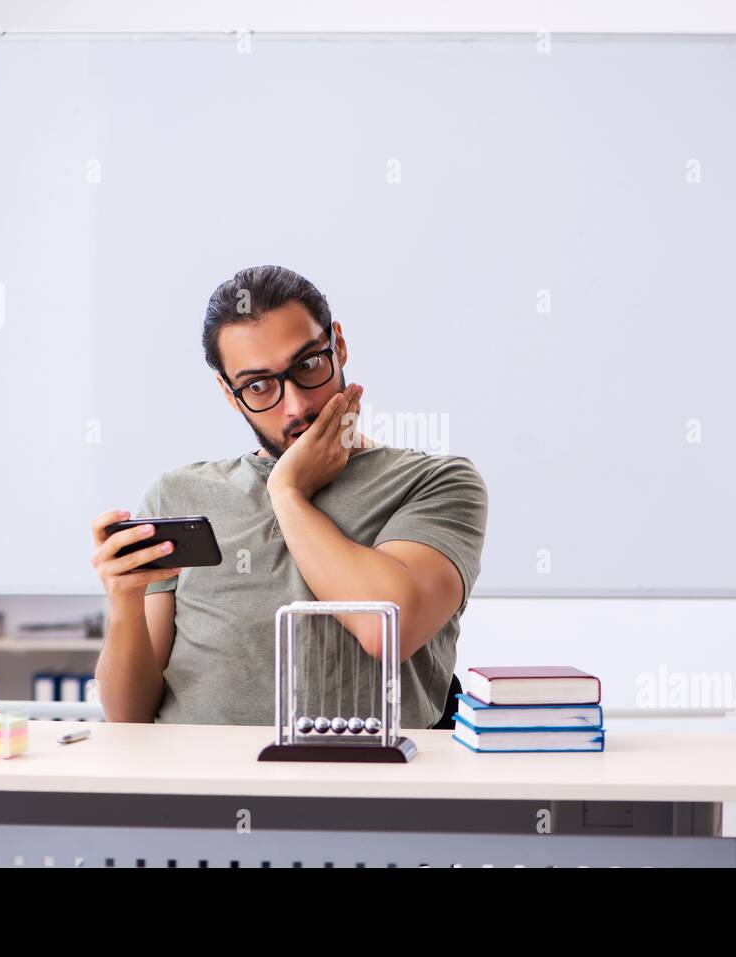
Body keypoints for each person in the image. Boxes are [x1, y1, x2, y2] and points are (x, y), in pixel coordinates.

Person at [90, 265, 488, 727]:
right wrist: (123, 600)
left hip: (371, 785)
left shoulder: (435, 481)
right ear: (228, 392)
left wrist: (286, 491)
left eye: (308, 365)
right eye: (259, 386)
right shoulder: (176, 494)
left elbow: (388, 630)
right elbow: (127, 716)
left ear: (337, 346)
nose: (296, 405)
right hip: (199, 788)